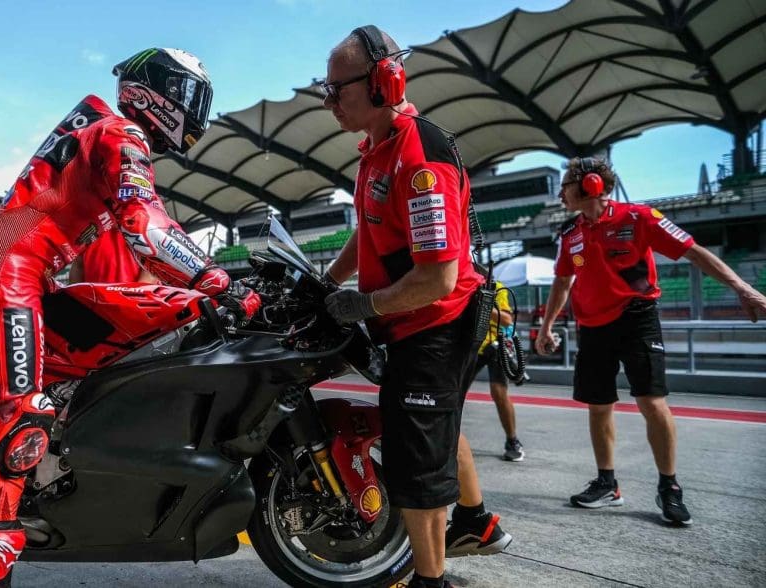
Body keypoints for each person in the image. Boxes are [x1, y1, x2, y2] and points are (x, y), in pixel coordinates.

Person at [0, 48, 260, 587]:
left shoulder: (108, 130)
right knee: (24, 411)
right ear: (158, 91)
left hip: (27, 269)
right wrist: (219, 280)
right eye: (189, 97)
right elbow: (146, 227)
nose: (193, 113)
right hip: (10, 267)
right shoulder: (122, 134)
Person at [318, 26, 510, 588]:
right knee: (437, 423)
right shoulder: (376, 151)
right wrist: (327, 280)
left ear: (383, 81)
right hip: (423, 319)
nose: (330, 101)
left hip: (437, 321)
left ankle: (431, 579)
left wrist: (362, 305)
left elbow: (436, 277)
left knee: (414, 458)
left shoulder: (420, 155)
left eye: (337, 89)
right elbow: (371, 234)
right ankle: (476, 522)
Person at [535, 157, 766, 526]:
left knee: (651, 401)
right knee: (597, 404)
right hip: (592, 327)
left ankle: (669, 488)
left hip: (636, 318)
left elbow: (693, 251)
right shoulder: (569, 235)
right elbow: (563, 283)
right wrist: (547, 327)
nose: (560, 193)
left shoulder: (639, 218)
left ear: (591, 186)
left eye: (565, 185)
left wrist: (742, 288)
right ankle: (607, 483)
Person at [474, 281, 524, 461]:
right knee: (455, 392)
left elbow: (507, 319)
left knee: (499, 392)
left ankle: (513, 440)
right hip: (472, 347)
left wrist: (482, 304)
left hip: (495, 345)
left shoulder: (497, 288)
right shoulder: (460, 283)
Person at [68, 228, 155, 284]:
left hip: (135, 301)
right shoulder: (86, 224)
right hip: (96, 302)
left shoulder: (142, 216)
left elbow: (154, 265)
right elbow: (78, 265)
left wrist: (138, 296)